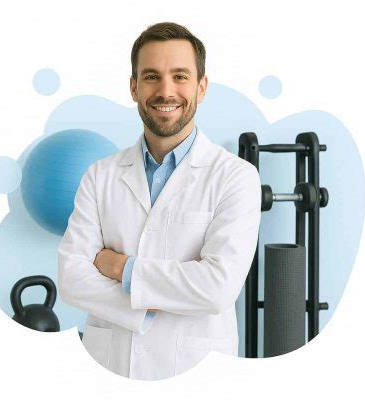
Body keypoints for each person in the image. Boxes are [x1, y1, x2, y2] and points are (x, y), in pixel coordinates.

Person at [57, 21, 261, 380]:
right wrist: (151, 305)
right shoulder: (100, 175)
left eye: (180, 76)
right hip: (109, 365)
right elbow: (72, 278)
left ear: (201, 87)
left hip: (194, 369)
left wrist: (121, 268)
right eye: (151, 77)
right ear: (134, 87)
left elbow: (217, 288)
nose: (166, 91)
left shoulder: (236, 177)